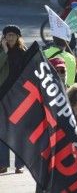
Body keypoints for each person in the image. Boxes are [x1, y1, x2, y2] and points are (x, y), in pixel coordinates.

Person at [0, 25, 26, 174]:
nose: (10, 38)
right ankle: (2, 164)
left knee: (18, 132)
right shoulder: (1, 51)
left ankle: (19, 164)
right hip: (2, 96)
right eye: (7, 35)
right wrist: (4, 51)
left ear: (18, 37)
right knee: (2, 132)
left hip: (18, 97)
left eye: (13, 35)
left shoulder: (23, 52)